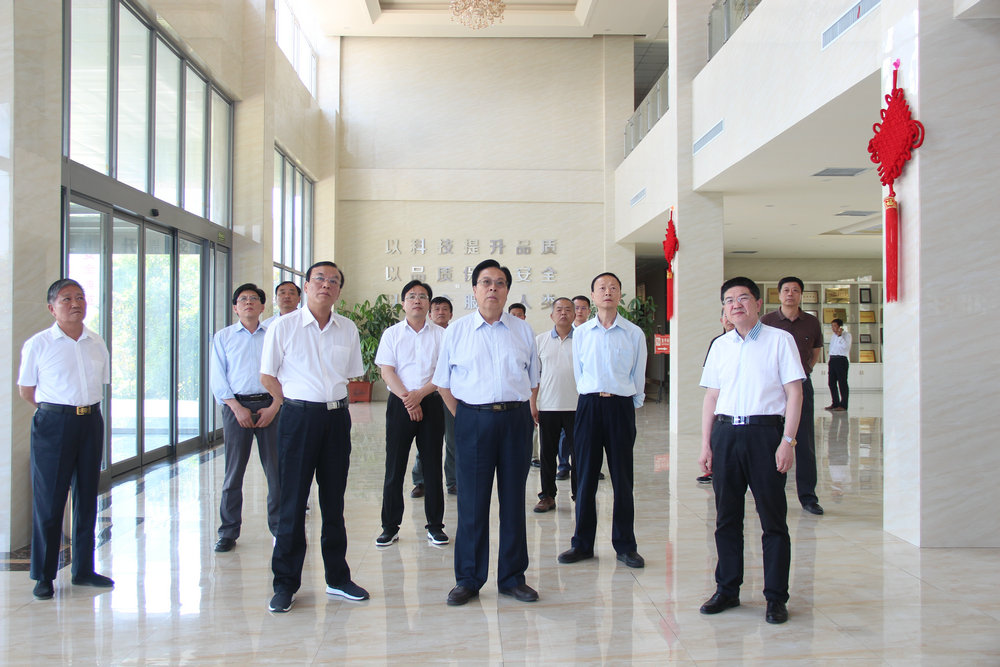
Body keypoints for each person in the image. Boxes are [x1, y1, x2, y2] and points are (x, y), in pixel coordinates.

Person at [260, 261, 369, 613]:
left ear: (339, 290)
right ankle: (285, 584)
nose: (326, 284)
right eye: (319, 279)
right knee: (292, 502)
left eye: (333, 281)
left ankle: (337, 578)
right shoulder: (284, 326)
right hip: (297, 419)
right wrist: (292, 402)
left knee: (334, 501)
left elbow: (351, 374)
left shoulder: (347, 328)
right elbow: (267, 376)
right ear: (306, 286)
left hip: (336, 419)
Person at [433, 259, 540, 606]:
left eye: (499, 283)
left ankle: (512, 578)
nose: (493, 288)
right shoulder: (457, 331)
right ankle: (468, 579)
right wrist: (466, 418)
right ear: (475, 290)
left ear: (507, 290)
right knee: (472, 504)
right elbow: (444, 383)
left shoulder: (523, 330)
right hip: (473, 421)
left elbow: (532, 380)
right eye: (485, 282)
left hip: (515, 421)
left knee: (513, 502)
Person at [698, 276, 803, 625]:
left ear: (758, 304)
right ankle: (727, 589)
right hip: (726, 433)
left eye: (743, 298)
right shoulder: (720, 345)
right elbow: (711, 397)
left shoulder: (780, 340)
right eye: (729, 300)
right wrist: (706, 444)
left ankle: (776, 597)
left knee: (773, 519)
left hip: (765, 434)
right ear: (724, 309)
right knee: (726, 518)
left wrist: (787, 441)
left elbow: (795, 393)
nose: (736, 304)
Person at [17, 279, 113, 600]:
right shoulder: (39, 344)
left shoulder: (96, 342)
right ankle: (44, 575)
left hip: (91, 421)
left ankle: (83, 569)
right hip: (54, 423)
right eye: (66, 299)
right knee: (50, 498)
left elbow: (100, 383)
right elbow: (27, 390)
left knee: (87, 495)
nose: (75, 304)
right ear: (52, 308)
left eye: (80, 297)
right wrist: (56, 413)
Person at [558, 272, 647, 570]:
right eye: (601, 288)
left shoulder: (634, 333)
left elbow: (638, 374)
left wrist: (630, 403)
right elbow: (579, 372)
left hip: (620, 406)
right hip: (589, 406)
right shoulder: (582, 333)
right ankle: (582, 544)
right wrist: (591, 396)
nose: (607, 292)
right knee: (584, 476)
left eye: (613, 288)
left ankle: (626, 546)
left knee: (623, 478)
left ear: (620, 294)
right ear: (593, 296)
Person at [375, 280, 448, 548]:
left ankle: (435, 527)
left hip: (431, 403)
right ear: (404, 303)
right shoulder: (391, 334)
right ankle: (389, 527)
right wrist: (409, 399)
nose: (417, 300)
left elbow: (443, 372)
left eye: (423, 296)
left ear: (429, 304)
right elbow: (387, 371)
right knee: (394, 467)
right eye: (412, 296)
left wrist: (420, 396)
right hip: (400, 404)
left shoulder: (441, 335)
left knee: (432, 467)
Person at [210, 283, 282, 553]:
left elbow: (284, 371)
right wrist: (235, 407)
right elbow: (218, 376)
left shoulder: (273, 335)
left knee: (276, 472)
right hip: (235, 407)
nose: (248, 302)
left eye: (254, 299)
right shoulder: (223, 337)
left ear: (263, 306)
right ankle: (228, 532)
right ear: (235, 307)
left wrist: (275, 405)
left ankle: (279, 529)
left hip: (270, 406)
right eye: (242, 299)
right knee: (233, 472)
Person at [760, 276, 824, 516]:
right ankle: (769, 495)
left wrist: (800, 374)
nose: (790, 294)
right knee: (771, 440)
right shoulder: (767, 321)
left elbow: (815, 353)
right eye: (786, 290)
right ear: (779, 295)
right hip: (773, 388)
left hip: (801, 385)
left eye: (795, 290)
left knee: (804, 442)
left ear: (801, 295)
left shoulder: (812, 322)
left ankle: (808, 497)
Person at [530, 297, 578, 513]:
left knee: (579, 454)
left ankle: (579, 494)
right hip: (548, 406)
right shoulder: (540, 341)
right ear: (551, 315)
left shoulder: (583, 339)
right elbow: (535, 376)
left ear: (574, 314)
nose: (563, 313)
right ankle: (547, 496)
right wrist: (533, 403)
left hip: (577, 407)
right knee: (547, 454)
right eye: (559, 310)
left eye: (568, 309)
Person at [411, 296, 457, 497]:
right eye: (436, 309)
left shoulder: (456, 335)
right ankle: (421, 481)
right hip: (429, 396)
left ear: (451, 314)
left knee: (453, 440)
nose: (440, 312)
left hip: (452, 395)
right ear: (430, 314)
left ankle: (453, 481)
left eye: (445, 309)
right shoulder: (423, 336)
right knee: (426, 441)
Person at [697, 310, 735, 485]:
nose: (729, 320)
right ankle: (712, 469)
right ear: (721, 320)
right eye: (725, 316)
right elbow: (710, 382)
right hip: (721, 403)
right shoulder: (718, 343)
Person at [825, 318, 850, 412]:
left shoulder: (847, 335)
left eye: (835, 326)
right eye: (832, 326)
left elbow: (845, 347)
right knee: (831, 383)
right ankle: (835, 403)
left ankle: (843, 405)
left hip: (841, 360)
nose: (833, 328)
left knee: (842, 383)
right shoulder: (833, 336)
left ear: (840, 327)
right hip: (833, 360)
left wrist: (840, 336)